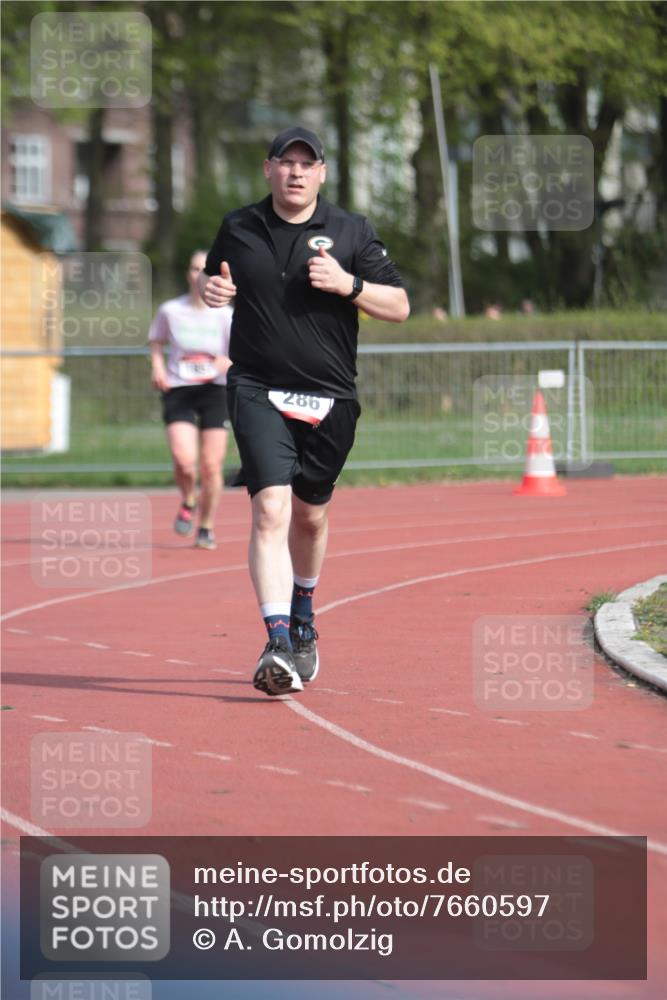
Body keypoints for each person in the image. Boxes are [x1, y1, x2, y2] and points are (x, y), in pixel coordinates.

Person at [199, 126, 409, 695]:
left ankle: (304, 611)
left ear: (321, 173)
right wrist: (208, 291)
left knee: (310, 515)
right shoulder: (239, 226)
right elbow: (212, 278)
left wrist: (348, 283)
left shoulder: (350, 231)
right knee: (270, 510)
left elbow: (400, 305)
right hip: (256, 387)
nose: (295, 172)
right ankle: (277, 639)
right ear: (268, 169)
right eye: (284, 162)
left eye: (306, 164)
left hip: (330, 395)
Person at [149, 250, 233, 550]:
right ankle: (188, 498)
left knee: (211, 466)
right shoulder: (170, 310)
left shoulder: (225, 314)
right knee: (185, 462)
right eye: (195, 268)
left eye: (206, 269)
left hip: (214, 389)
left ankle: (206, 525)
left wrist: (228, 361)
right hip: (180, 387)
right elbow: (156, 341)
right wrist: (157, 366)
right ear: (188, 274)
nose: (200, 275)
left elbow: (243, 351)